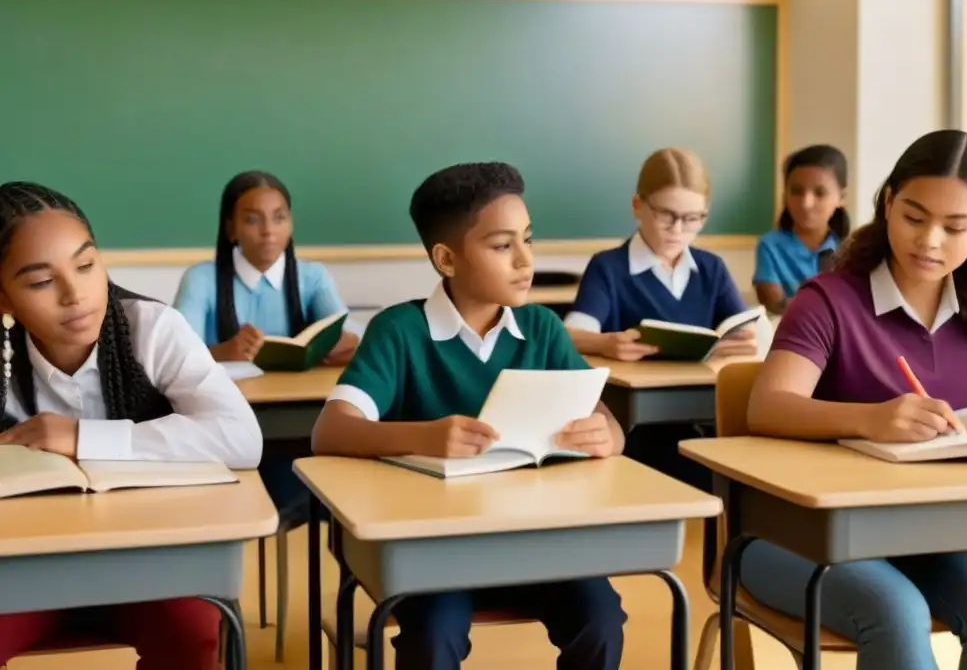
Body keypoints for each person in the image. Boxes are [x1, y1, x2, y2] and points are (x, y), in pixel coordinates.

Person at [311, 162, 627, 670]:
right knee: (435, 632)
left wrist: (607, 434)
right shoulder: (399, 331)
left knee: (602, 618)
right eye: (502, 246)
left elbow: (604, 417)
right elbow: (330, 430)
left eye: (528, 239)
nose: (526, 260)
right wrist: (425, 436)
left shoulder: (542, 328)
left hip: (536, 538)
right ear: (446, 259)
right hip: (436, 549)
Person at [742, 130, 967, 670]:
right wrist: (872, 418)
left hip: (934, 533)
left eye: (955, 227)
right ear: (888, 202)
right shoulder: (827, 300)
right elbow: (768, 404)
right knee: (894, 612)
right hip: (800, 533)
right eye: (915, 218)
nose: (931, 241)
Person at [0, 181, 262, 668]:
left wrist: (81, 438)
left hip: (152, 559)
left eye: (86, 265)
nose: (75, 295)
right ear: (4, 298)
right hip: (23, 566)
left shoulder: (151, 329)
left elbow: (242, 438)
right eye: (40, 282)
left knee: (192, 637)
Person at [173, 169, 362, 510]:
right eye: (252, 220)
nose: (269, 232)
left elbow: (349, 331)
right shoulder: (202, 278)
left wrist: (343, 343)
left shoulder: (312, 276)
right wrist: (221, 352)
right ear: (231, 228)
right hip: (230, 415)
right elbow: (175, 353)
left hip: (304, 413)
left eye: (280, 218)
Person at [563, 147, 756, 362]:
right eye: (666, 214)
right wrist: (604, 344)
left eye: (692, 218)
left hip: (704, 390)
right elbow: (569, 336)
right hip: (633, 393)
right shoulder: (608, 267)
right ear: (637, 206)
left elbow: (744, 331)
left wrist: (745, 342)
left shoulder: (712, 268)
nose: (677, 229)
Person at [753, 145, 849, 314]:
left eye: (820, 193)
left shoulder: (851, 250)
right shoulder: (770, 246)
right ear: (785, 195)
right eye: (796, 191)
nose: (806, 204)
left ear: (841, 198)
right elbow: (775, 305)